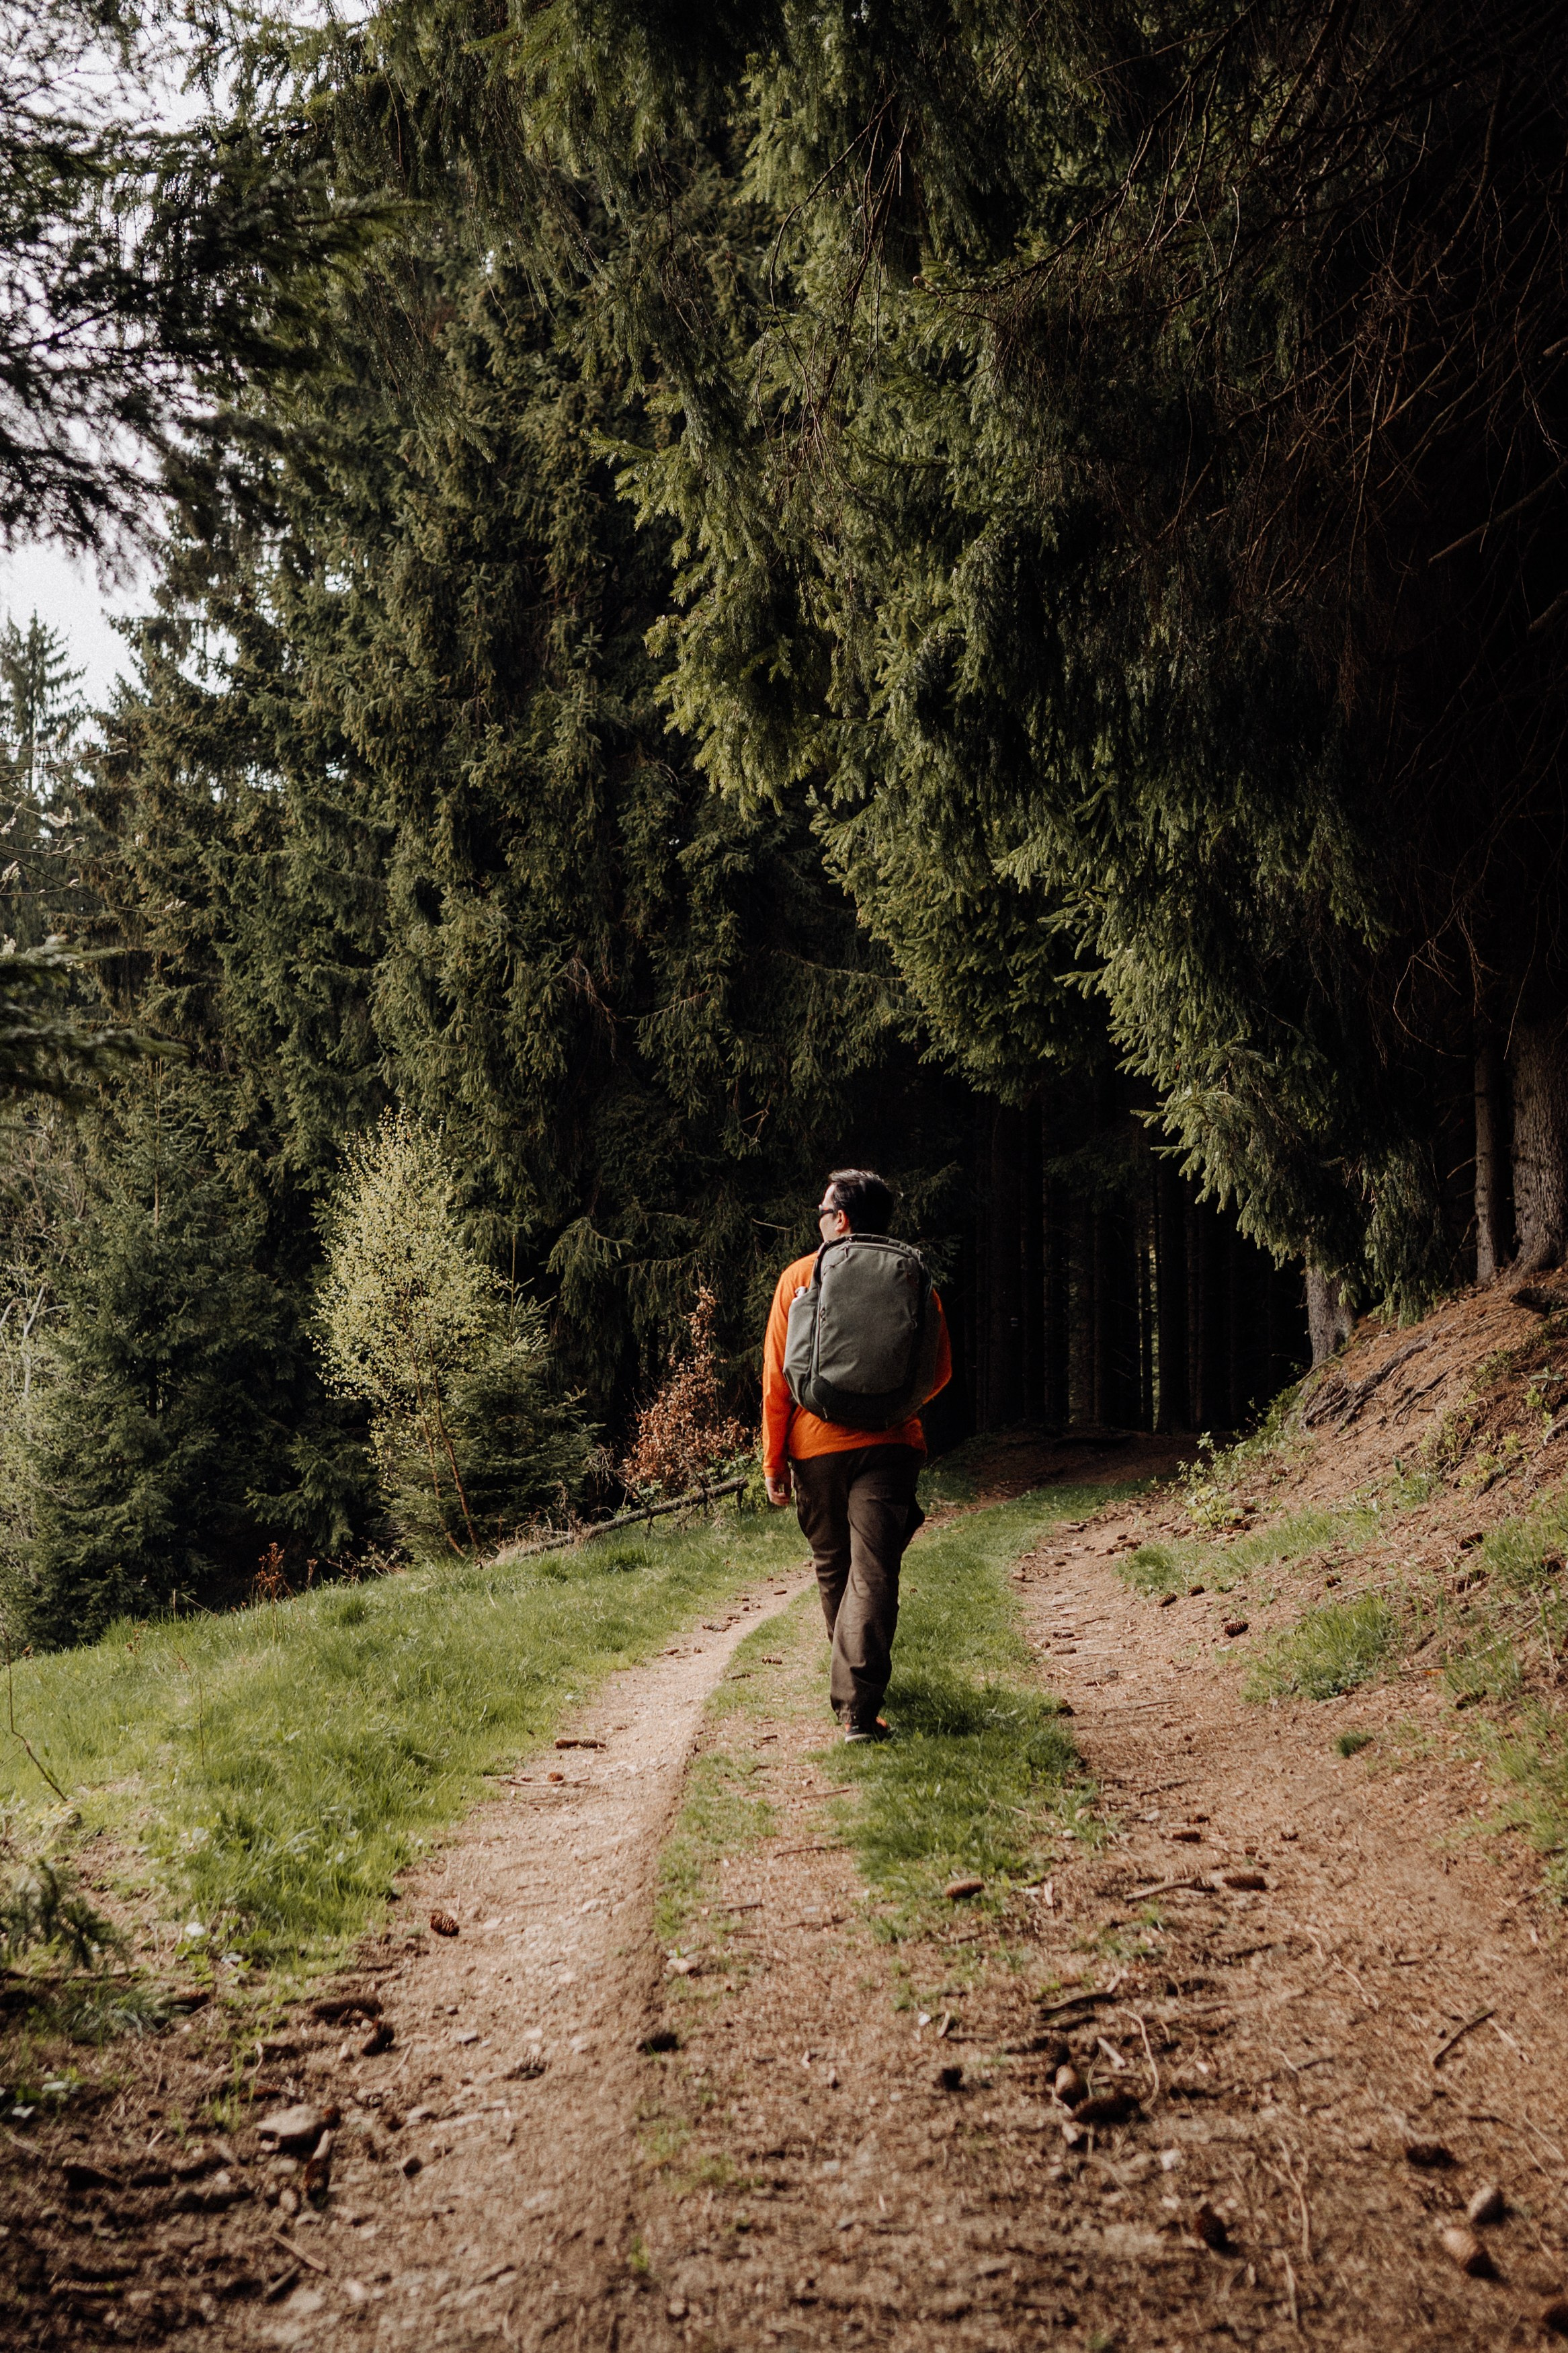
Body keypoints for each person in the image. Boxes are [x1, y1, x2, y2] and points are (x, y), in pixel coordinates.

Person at [761, 1168, 952, 1740]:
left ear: (840, 1219)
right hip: (891, 1445)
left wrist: (773, 1461)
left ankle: (850, 1693)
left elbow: (776, 1380)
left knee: (834, 1569)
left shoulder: (800, 1276)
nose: (819, 1220)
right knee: (874, 1573)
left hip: (815, 1448)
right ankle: (858, 1711)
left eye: (823, 1212)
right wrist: (890, 1407)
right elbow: (939, 1371)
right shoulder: (913, 1278)